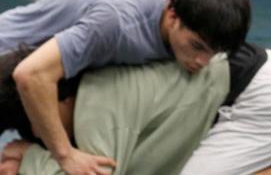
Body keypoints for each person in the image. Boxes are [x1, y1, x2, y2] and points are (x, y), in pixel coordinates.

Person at [0, 0, 271, 175]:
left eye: (213, 53)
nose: (201, 62)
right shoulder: (116, 26)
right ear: (171, 15)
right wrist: (64, 154)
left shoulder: (186, 19)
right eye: (196, 46)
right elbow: (31, 76)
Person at [0, 47, 231, 175]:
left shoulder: (97, 106)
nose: (39, 134)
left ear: (60, 100)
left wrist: (30, 158)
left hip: (242, 98)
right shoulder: (76, 80)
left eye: (37, 122)